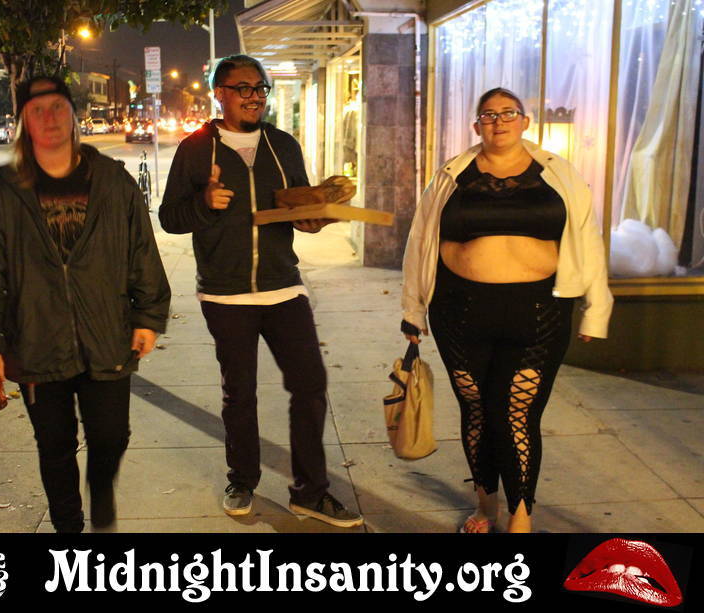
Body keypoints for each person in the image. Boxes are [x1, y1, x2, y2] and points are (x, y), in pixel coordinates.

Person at [159, 54, 362, 528]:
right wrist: (203, 203)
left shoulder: (283, 145)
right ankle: (242, 480)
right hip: (226, 294)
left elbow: (299, 204)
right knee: (240, 394)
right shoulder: (196, 149)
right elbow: (170, 217)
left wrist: (312, 220)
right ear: (220, 94)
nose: (254, 97)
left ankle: (310, 493)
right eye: (243, 88)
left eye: (260, 88)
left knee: (310, 385)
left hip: (283, 286)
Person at [0, 75, 171, 533]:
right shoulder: (4, 192)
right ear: (24, 122)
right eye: (37, 110)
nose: (49, 118)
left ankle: (102, 495)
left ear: (73, 115)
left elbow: (141, 249)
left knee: (111, 436)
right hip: (36, 341)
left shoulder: (112, 180)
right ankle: (68, 529)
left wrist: (148, 315)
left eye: (58, 106)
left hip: (107, 335)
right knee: (55, 446)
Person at [401, 87, 613, 533]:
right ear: (476, 124)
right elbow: (420, 241)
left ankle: (521, 516)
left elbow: (587, 240)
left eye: (508, 113)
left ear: (525, 121)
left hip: (538, 312)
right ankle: (486, 506)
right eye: (489, 115)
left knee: (515, 413)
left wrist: (597, 309)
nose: (498, 121)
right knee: (477, 410)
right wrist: (413, 310)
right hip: (459, 310)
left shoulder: (559, 174)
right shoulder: (451, 175)